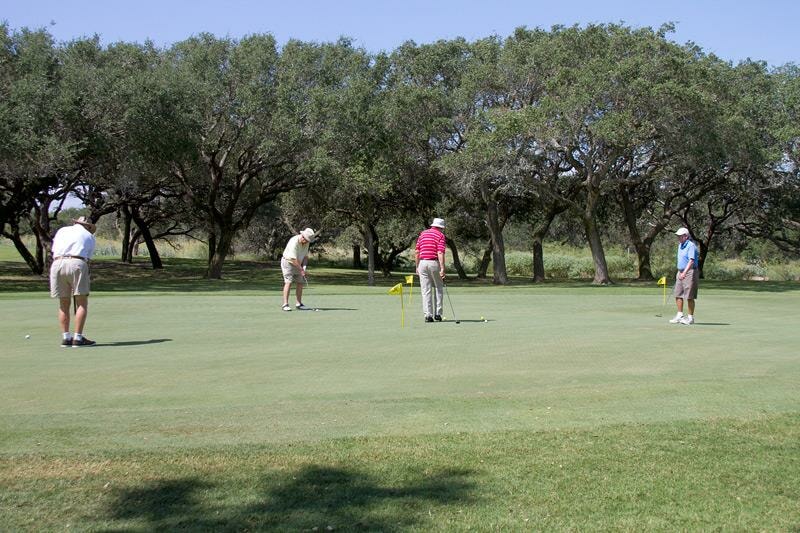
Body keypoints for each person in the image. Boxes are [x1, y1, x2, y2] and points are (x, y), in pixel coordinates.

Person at [50, 216, 98, 347]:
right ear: (88, 226)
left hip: (57, 263)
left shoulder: (62, 231)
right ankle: (78, 338)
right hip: (77, 262)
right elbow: (88, 257)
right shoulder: (89, 236)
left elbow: (54, 249)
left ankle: (66, 338)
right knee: (81, 302)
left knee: (63, 302)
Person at [415, 218, 447, 323]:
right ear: (441, 228)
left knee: (426, 290)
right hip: (434, 263)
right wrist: (442, 268)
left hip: (422, 263)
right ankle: (438, 314)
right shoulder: (440, 236)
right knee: (438, 288)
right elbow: (440, 252)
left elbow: (417, 251)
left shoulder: (423, 234)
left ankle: (428, 315)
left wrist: (417, 266)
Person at [281, 228, 316, 311]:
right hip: (288, 263)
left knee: (300, 282)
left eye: (308, 241)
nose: (307, 242)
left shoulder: (306, 243)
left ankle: (299, 304)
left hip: (298, 264)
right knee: (288, 282)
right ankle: (285, 304)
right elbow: (293, 259)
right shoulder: (294, 242)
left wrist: (304, 267)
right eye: (306, 240)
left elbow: (305, 257)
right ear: (302, 236)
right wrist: (301, 269)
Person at [669, 227, 699, 325]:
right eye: (677, 236)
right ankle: (680, 315)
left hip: (690, 272)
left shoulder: (691, 246)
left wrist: (684, 273)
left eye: (680, 236)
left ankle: (690, 318)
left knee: (689, 296)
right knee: (678, 294)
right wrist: (680, 272)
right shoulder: (680, 245)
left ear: (686, 236)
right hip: (680, 271)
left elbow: (691, 260)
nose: (678, 238)